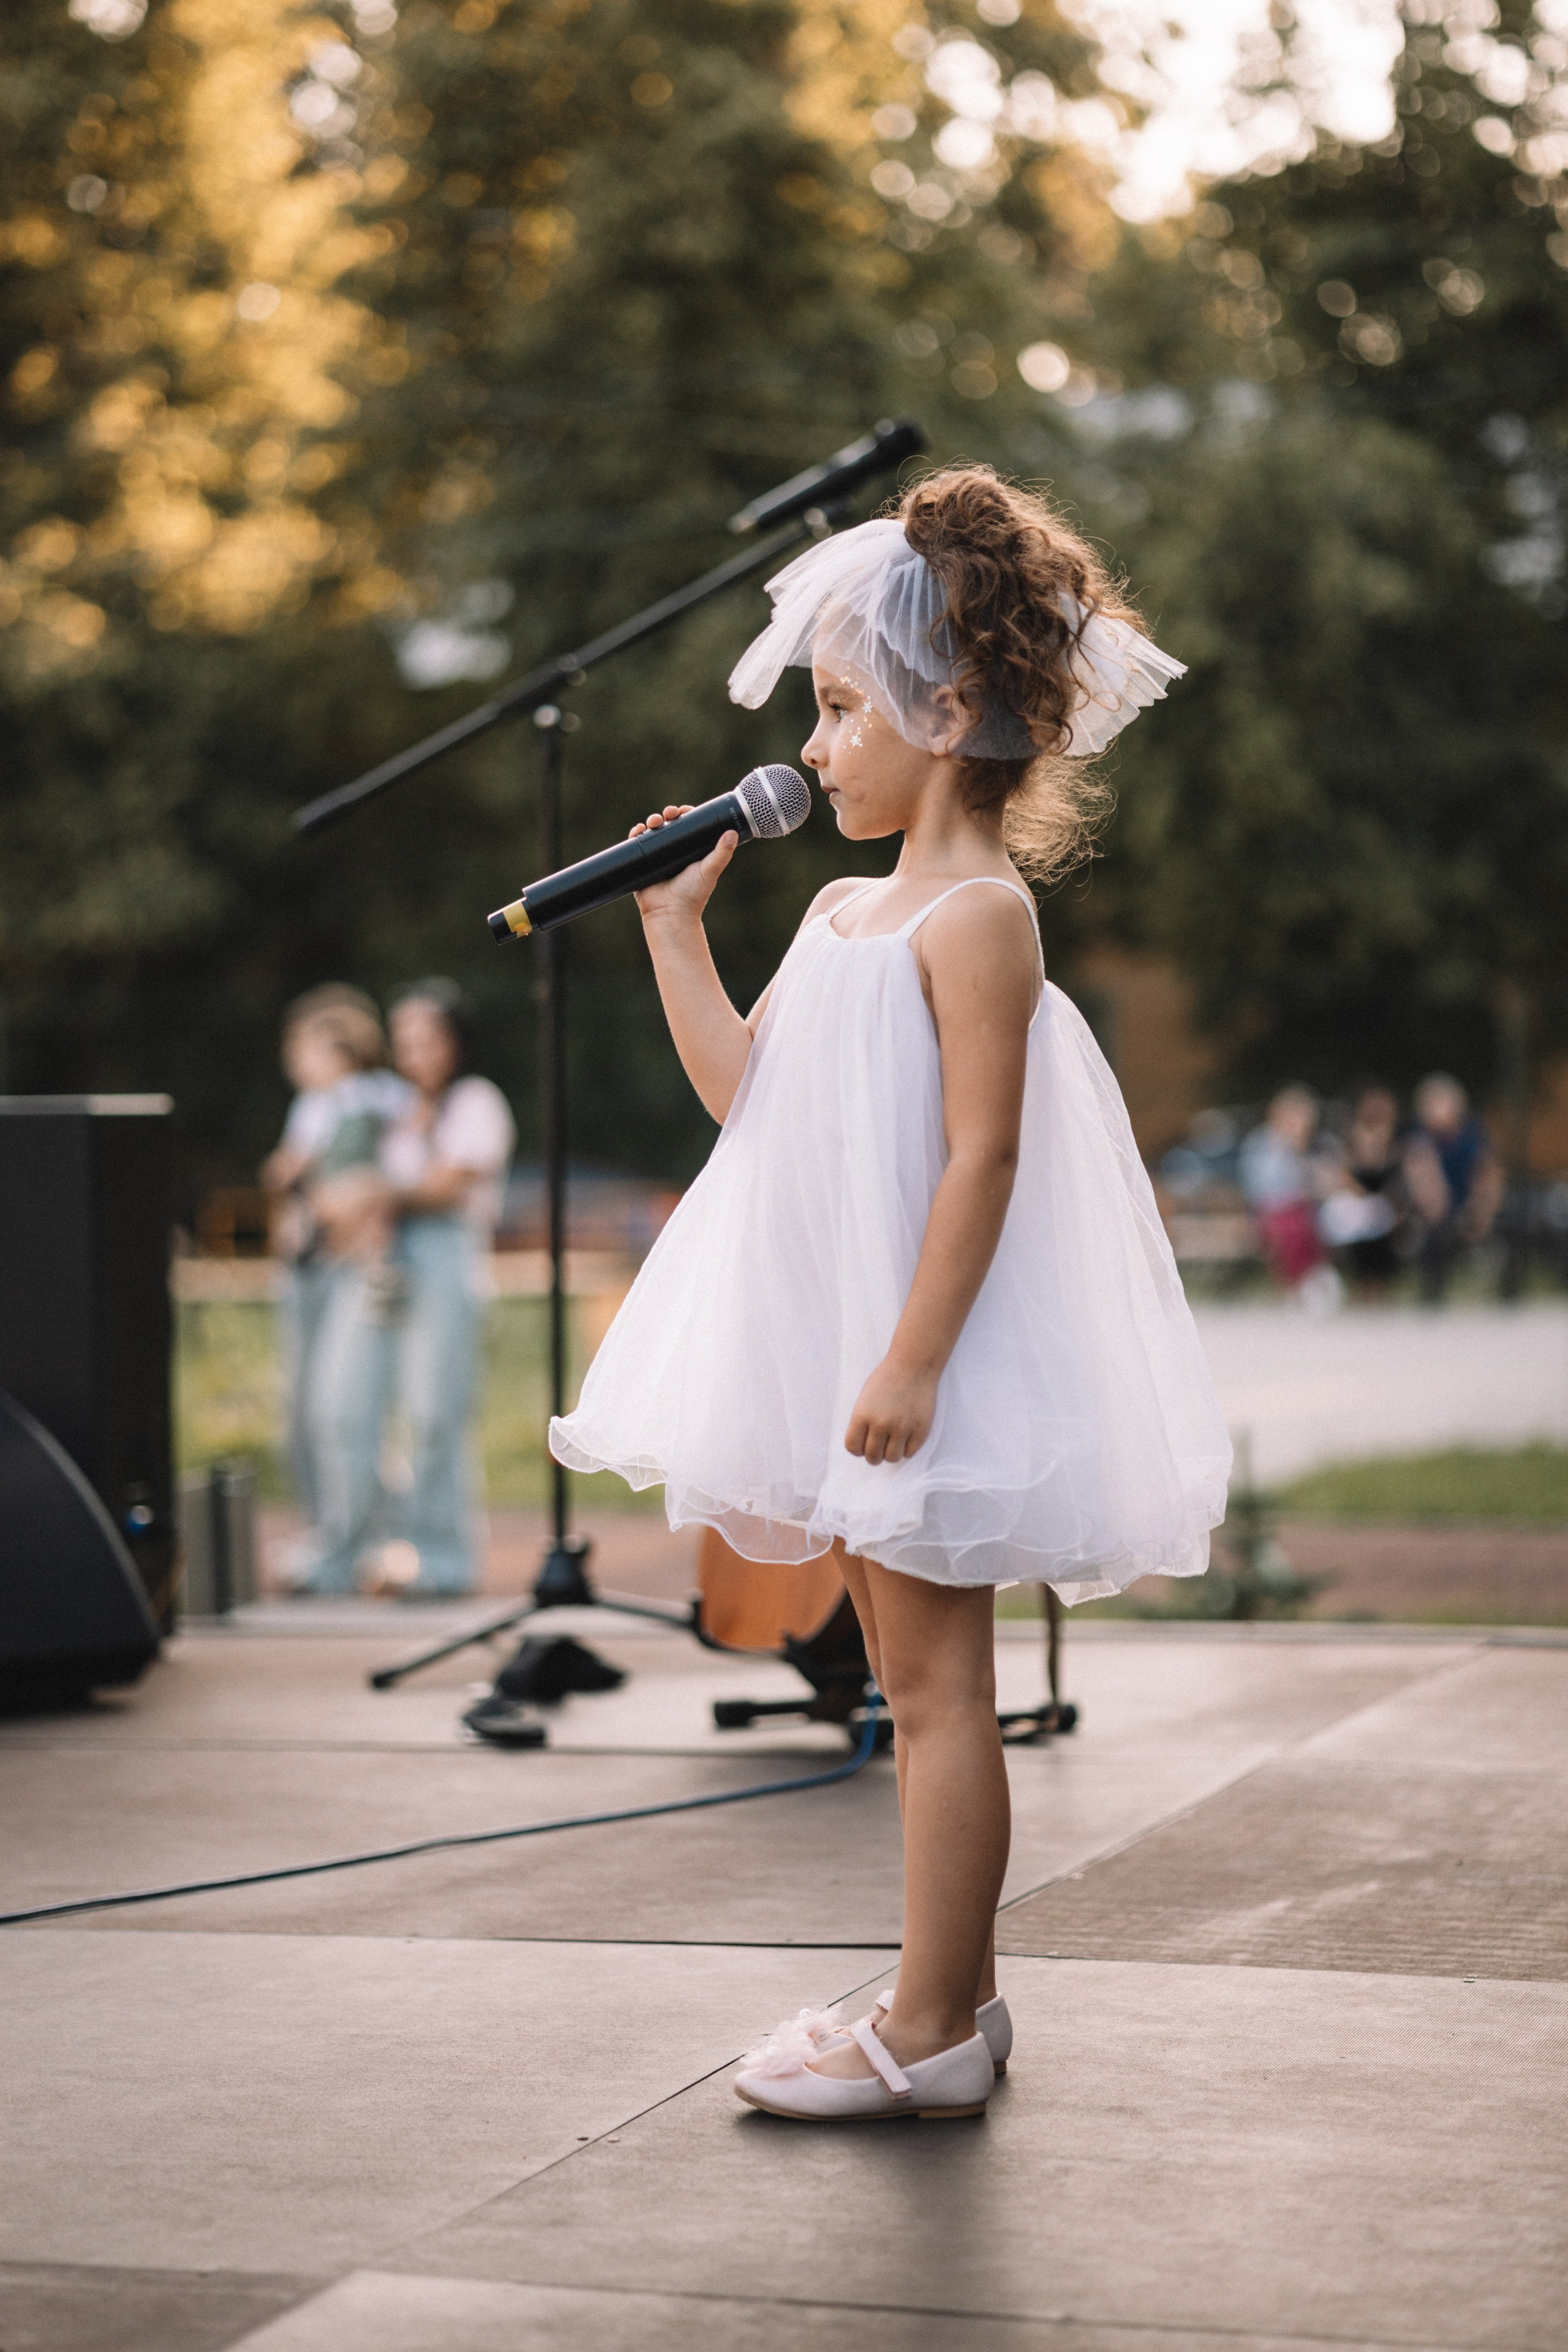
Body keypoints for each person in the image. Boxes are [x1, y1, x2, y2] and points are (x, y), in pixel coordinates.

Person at [550, 467, 1231, 2123]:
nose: (817, 744)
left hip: (921, 1361)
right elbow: (748, 1110)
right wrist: (671, 936)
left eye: (844, 708)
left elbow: (984, 1161)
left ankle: (927, 2030)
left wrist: (918, 1363)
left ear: (949, 711)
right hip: (848, 1352)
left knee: (937, 1698)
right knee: (910, 1690)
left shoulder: (981, 919)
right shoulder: (850, 907)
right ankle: (956, 2003)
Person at [304, 979, 516, 1597]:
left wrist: (371, 1192)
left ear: (456, 1042)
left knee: (432, 1415)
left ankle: (440, 1557)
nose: (414, 1053)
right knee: (344, 1408)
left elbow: (447, 1185)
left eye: (427, 1039)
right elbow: (335, 1185)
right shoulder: (388, 1106)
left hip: (445, 1262)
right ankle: (345, 1549)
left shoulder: (476, 1102)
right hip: (375, 1264)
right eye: (405, 1040)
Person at [261, 987, 410, 1533]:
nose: (297, 1061)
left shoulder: (372, 1097)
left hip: (352, 1264)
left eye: (307, 1049)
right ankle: (331, 1527)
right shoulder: (316, 1106)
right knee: (312, 1406)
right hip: (313, 1261)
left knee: (348, 1403)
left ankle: (365, 1527)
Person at [1238, 1085, 1341, 1311]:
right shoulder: (1261, 1143)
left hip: (1312, 1207)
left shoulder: (1318, 1144)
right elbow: (1258, 1185)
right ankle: (1299, 1286)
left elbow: (1329, 1181)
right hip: (1272, 1208)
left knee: (1313, 1222)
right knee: (1289, 1226)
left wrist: (1301, 1152)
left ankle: (1312, 1281)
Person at [1403, 1072, 1502, 1303]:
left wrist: (1481, 1210)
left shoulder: (1473, 1135)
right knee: (1432, 1230)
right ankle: (1433, 1290)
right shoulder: (1419, 1138)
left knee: (1514, 1221)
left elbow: (1487, 1175)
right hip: (1434, 1208)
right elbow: (1425, 1183)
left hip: (1469, 1203)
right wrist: (1440, 1211)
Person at [1319, 1081, 1405, 1298]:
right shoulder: (1350, 1138)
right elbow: (1344, 1175)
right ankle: (1362, 1285)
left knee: (1381, 1221)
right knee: (1362, 1222)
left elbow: (1395, 1178)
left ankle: (1379, 1286)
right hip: (1358, 1201)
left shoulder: (1397, 1138)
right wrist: (1365, 1198)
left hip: (1387, 1202)